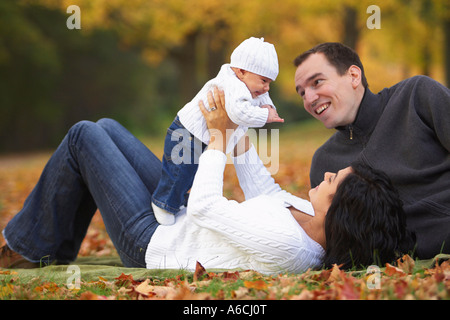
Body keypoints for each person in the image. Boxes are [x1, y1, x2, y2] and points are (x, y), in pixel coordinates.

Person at [0, 88, 413, 272]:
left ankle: (24, 246)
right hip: (178, 222)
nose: (327, 173)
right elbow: (264, 191)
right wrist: (237, 128)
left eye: (335, 180)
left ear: (342, 209)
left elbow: (205, 206)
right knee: (105, 126)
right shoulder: (308, 213)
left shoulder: (288, 248)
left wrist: (217, 137)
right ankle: (51, 247)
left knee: (83, 136)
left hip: (152, 244)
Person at [293, 42, 450, 259]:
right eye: (302, 93)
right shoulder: (324, 163)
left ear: (354, 76)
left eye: (317, 82)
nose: (309, 99)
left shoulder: (416, 96)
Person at [151, 37, 284, 226]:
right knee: (180, 171)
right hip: (186, 134)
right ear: (242, 71)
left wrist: (269, 106)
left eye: (269, 82)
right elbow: (240, 114)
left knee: (192, 172)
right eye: (264, 81)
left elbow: (264, 97)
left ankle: (176, 200)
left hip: (201, 137)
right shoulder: (233, 85)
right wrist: (266, 116)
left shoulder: (248, 82)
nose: (266, 88)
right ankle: (163, 203)